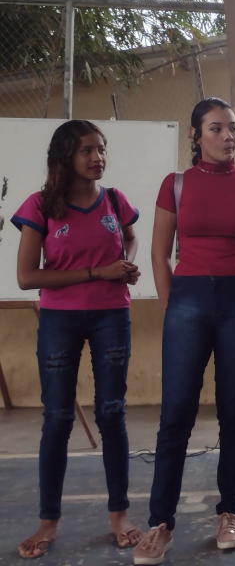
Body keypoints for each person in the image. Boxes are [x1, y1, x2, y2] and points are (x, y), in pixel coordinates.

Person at [133, 98, 235, 564]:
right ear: (195, 136)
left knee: (234, 415)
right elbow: (159, 253)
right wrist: (173, 307)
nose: (228, 136)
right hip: (188, 302)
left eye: (232, 128)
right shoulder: (175, 186)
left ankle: (230, 512)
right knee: (175, 414)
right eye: (216, 129)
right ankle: (160, 524)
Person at [12, 120, 142, 558]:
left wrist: (126, 264)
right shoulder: (41, 205)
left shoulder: (115, 200)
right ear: (65, 155)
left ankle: (119, 516)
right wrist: (96, 272)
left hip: (112, 316)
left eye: (101, 149)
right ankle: (48, 522)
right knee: (57, 420)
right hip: (59, 321)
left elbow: (130, 237)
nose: (97, 157)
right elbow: (27, 276)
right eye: (87, 150)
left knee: (111, 414)